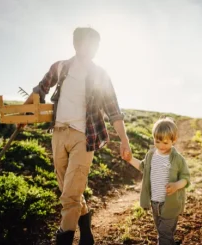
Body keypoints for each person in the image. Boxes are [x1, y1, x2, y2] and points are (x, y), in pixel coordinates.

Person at [23, 27, 132, 245]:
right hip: (59, 134)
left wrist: (125, 140)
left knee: (69, 196)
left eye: (96, 45)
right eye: (90, 44)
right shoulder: (61, 67)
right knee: (68, 189)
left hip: (84, 138)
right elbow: (40, 88)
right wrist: (25, 112)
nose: (94, 49)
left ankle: (63, 238)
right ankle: (86, 227)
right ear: (77, 44)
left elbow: (113, 110)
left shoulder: (100, 74)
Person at [126, 117, 190, 245]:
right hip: (155, 203)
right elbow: (142, 167)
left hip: (171, 204)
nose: (161, 146)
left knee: (164, 236)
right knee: (164, 234)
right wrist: (129, 159)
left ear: (174, 140)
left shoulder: (178, 159)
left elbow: (186, 179)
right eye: (157, 141)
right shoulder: (151, 155)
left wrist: (177, 185)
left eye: (165, 143)